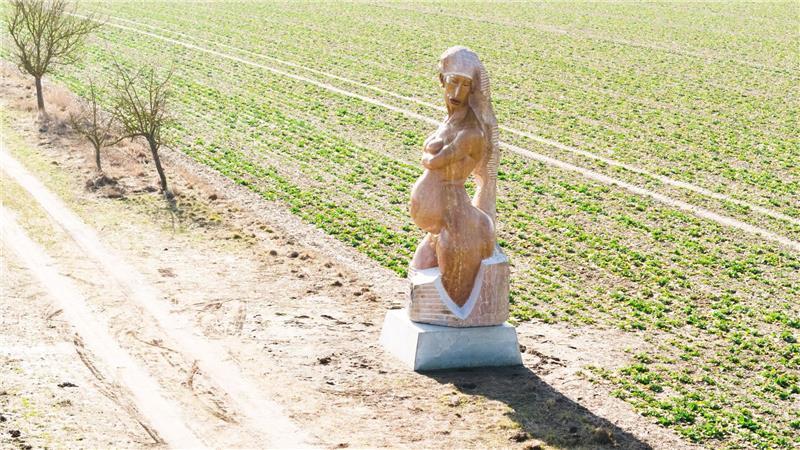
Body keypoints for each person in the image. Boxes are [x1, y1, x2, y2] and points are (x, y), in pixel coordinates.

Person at [409, 46, 500, 306]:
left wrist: (429, 159)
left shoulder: (471, 132)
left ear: (473, 89)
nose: (458, 93)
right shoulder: (451, 122)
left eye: (465, 85)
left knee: (450, 299)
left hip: (455, 221)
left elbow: (436, 161)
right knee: (421, 270)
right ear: (442, 81)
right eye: (453, 83)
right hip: (439, 225)